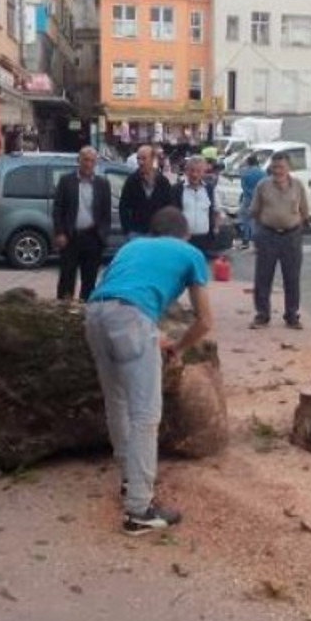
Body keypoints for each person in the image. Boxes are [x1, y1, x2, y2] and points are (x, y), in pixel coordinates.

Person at [85, 206, 213, 535]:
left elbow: (122, 293)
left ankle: (130, 480)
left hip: (95, 312)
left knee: (117, 403)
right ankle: (139, 509)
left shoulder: (131, 247)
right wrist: (178, 347)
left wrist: (150, 336)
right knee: (145, 414)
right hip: (131, 317)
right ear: (184, 233)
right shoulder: (190, 252)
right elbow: (205, 321)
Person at [248, 152, 309, 329]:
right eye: (274, 167)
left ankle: (291, 315)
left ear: (289, 167)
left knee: (292, 277)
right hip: (268, 235)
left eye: (281, 167)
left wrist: (297, 229)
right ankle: (262, 314)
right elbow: (254, 211)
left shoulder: (298, 185)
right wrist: (262, 229)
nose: (277, 171)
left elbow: (304, 211)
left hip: (292, 236)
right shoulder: (263, 185)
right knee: (263, 277)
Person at [53, 146, 112, 301]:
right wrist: (60, 233)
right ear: (78, 161)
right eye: (85, 160)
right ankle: (64, 312)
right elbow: (58, 209)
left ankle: (85, 310)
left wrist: (103, 235)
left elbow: (106, 213)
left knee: (89, 279)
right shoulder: (66, 181)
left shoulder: (102, 184)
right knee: (66, 278)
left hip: (93, 237)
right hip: (70, 237)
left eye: (92, 161)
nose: (88, 164)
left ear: (95, 163)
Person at [119, 144, 174, 240]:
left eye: (144, 159)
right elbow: (123, 207)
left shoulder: (163, 182)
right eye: (138, 159)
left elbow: (170, 207)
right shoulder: (131, 181)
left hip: (159, 233)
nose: (140, 162)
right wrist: (128, 231)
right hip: (137, 233)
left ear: (152, 159)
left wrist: (166, 230)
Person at [174, 156, 220, 255]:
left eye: (198, 171)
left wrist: (216, 229)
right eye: (192, 170)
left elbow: (217, 211)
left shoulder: (209, 189)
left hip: (205, 239)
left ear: (204, 172)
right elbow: (172, 214)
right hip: (183, 239)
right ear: (186, 171)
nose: (194, 174)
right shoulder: (177, 189)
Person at [238, 155, 266, 248]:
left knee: (245, 219)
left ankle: (246, 239)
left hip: (248, 199)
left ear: (249, 163)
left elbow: (244, 187)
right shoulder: (263, 173)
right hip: (260, 199)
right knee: (258, 220)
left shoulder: (245, 173)